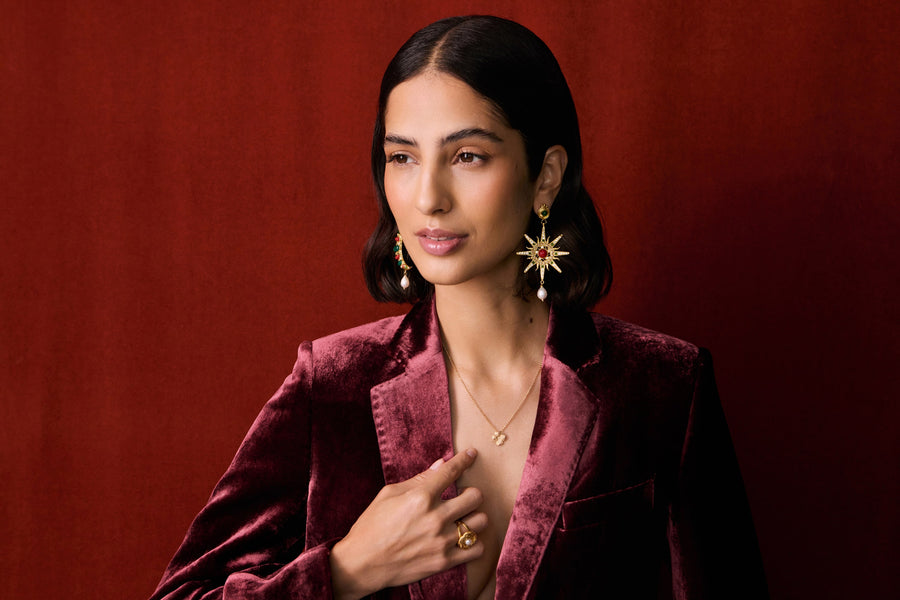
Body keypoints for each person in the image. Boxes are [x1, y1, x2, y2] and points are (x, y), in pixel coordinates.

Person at [150, 15, 768, 600]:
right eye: (402, 157)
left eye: (467, 156)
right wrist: (345, 571)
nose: (428, 197)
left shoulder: (662, 385)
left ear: (545, 175)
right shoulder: (333, 384)